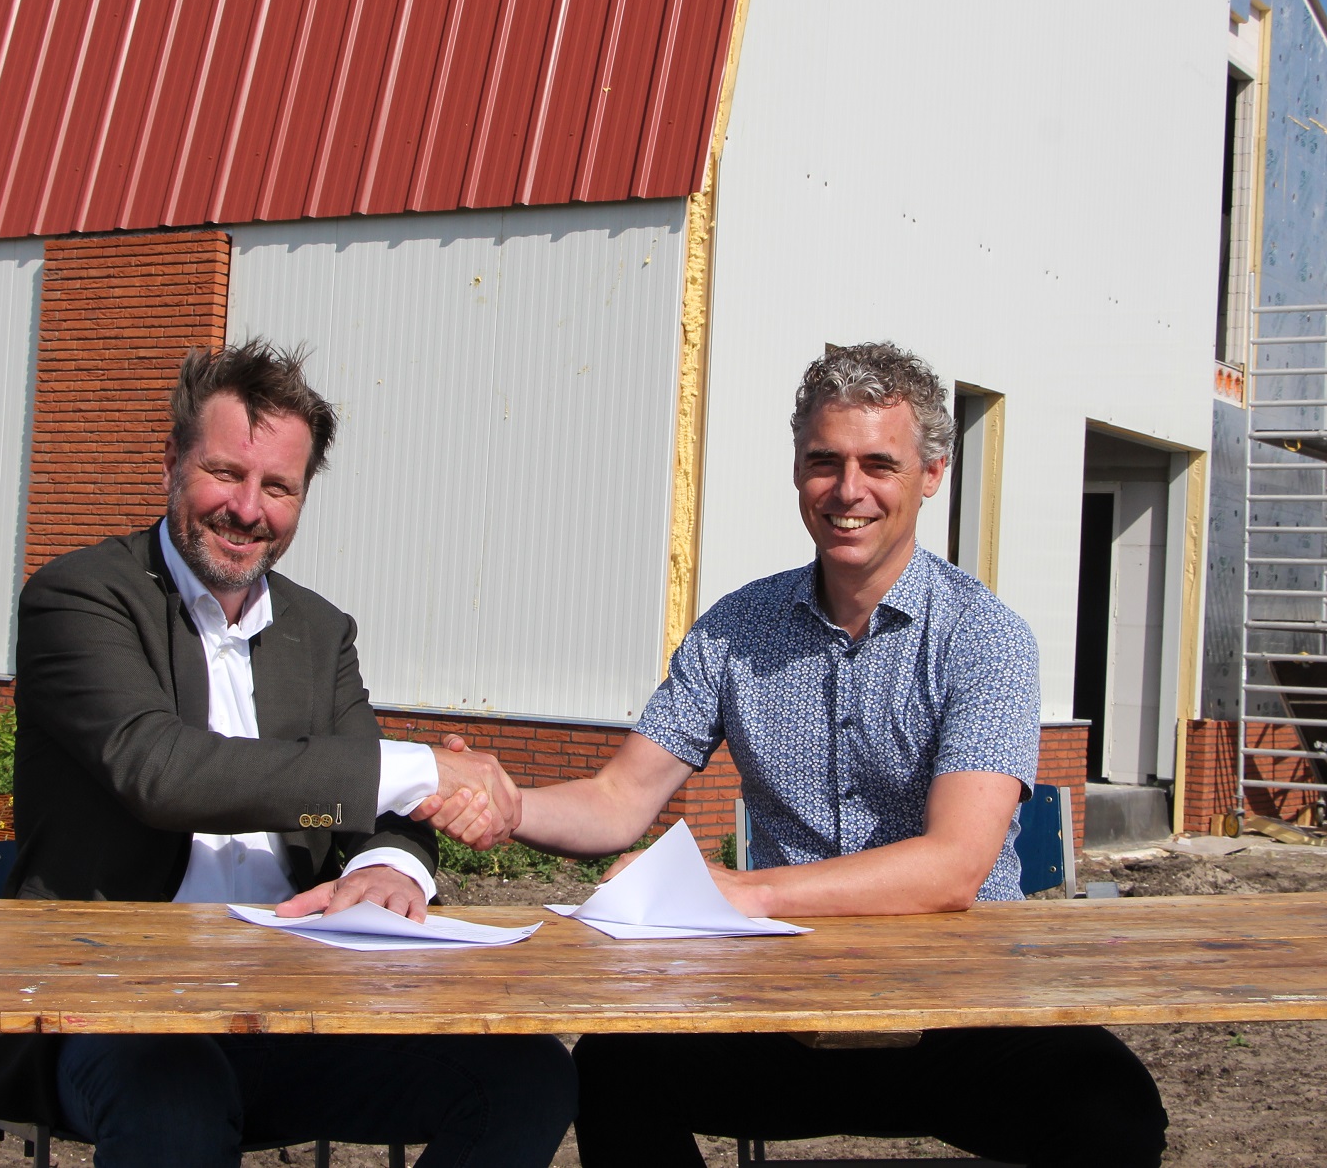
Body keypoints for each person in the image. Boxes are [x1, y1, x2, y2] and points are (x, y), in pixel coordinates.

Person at [444, 342, 1166, 1168]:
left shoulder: (984, 636)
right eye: (825, 461)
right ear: (797, 470)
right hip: (778, 1007)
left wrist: (744, 893)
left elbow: (954, 866)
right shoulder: (735, 629)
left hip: (962, 1014)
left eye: (878, 464)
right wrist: (510, 804)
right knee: (616, 1067)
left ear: (932, 473)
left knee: (1115, 1111)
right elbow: (619, 797)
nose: (848, 489)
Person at [0, 339, 573, 1168]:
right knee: (176, 1097)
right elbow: (160, 772)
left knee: (526, 1075)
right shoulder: (80, 596)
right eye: (226, 472)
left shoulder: (319, 632)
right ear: (172, 461)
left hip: (290, 1002)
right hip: (113, 1005)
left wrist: (388, 867)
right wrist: (425, 767)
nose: (248, 509)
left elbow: (366, 800)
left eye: (278, 487)